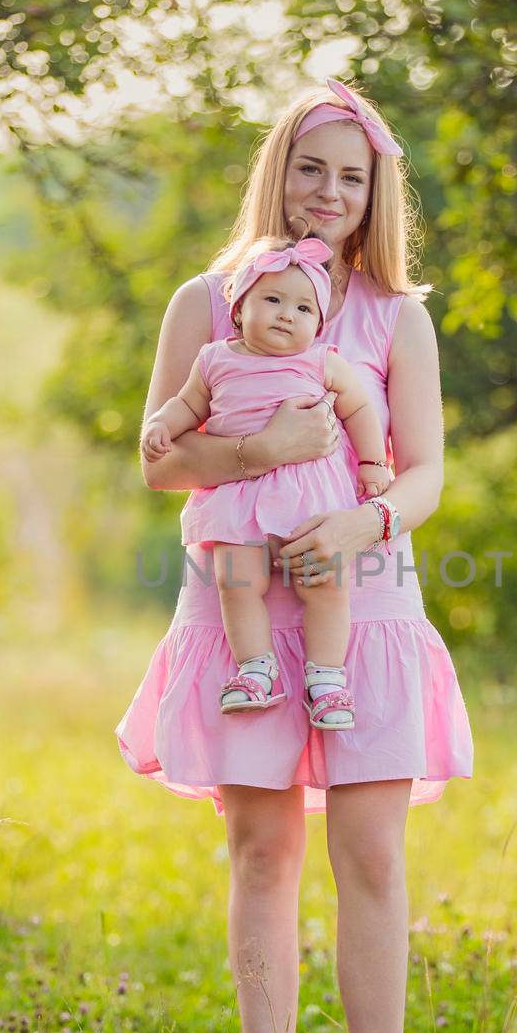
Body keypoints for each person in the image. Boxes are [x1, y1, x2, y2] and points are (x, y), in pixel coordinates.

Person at [115, 74, 474, 1033]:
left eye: (351, 176)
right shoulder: (205, 301)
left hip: (357, 602)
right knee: (260, 852)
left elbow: (420, 469)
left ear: (376, 196)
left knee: (369, 855)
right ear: (279, 172)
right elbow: (159, 459)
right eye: (309, 167)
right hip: (235, 603)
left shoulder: (393, 316)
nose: (328, 192)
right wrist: (261, 448)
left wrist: (361, 518)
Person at [139, 232, 391, 731]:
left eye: (303, 309)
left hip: (309, 499)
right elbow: (188, 405)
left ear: (318, 325)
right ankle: (256, 669)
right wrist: (161, 427)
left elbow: (359, 407)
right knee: (237, 580)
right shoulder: (215, 359)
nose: (285, 314)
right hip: (239, 497)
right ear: (238, 308)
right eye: (272, 300)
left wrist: (370, 463)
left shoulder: (321, 362)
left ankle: (327, 680)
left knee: (323, 583)